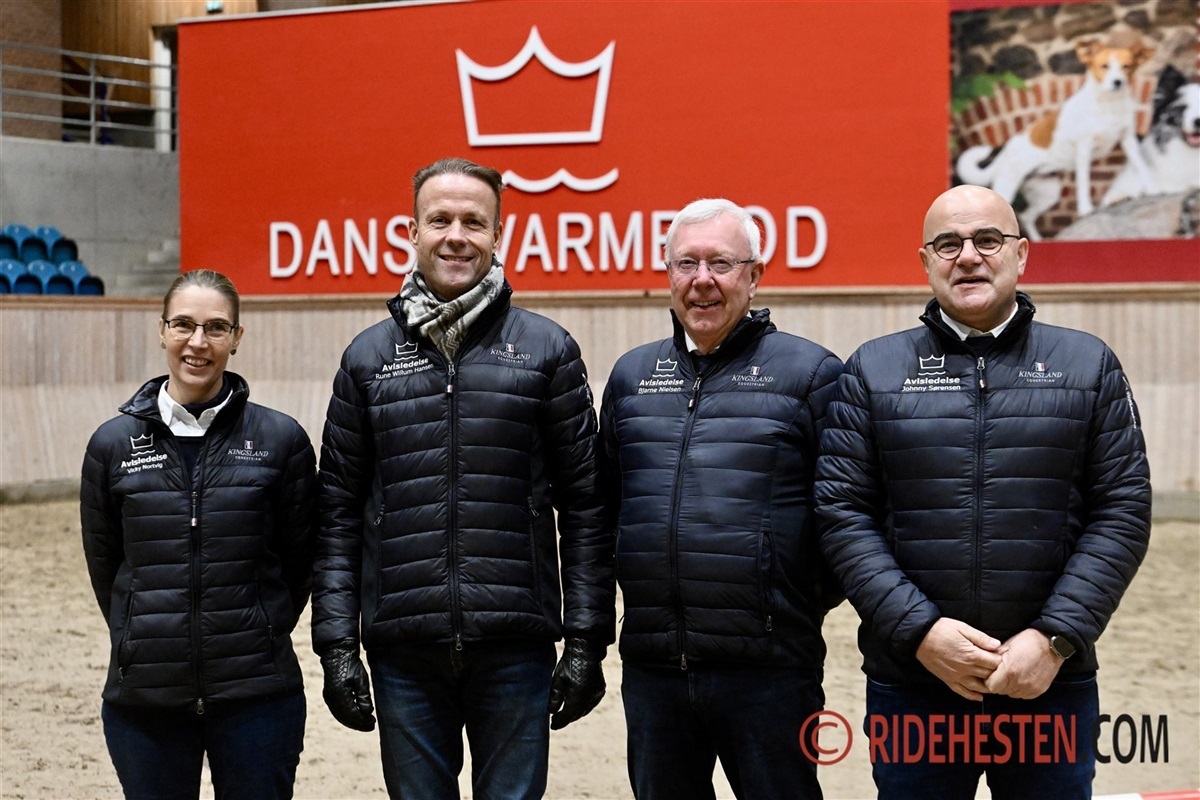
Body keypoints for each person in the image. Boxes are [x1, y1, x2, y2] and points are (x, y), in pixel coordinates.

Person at [815, 184, 1152, 800]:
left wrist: (1055, 638)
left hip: (1049, 683)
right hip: (913, 684)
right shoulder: (872, 370)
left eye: (987, 240)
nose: (968, 256)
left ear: (1020, 254)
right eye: (948, 244)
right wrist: (920, 632)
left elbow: (1123, 510)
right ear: (926, 262)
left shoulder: (1088, 365)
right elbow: (841, 513)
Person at [312, 157, 614, 799]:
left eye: (474, 222)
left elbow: (586, 506)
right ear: (412, 231)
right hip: (403, 649)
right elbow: (336, 512)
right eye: (440, 219)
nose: (456, 236)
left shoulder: (548, 350)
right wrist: (336, 645)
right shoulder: (365, 359)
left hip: (515, 646)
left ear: (498, 235)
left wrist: (587, 639)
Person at [599, 198, 844, 800]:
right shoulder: (630, 379)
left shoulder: (812, 375)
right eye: (686, 263)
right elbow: (605, 512)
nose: (702, 279)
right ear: (668, 274)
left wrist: (784, 599)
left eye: (721, 263)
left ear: (754, 276)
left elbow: (846, 517)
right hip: (654, 668)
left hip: (769, 670)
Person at [80, 269, 317, 799]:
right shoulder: (112, 446)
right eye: (184, 324)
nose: (198, 342)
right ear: (162, 330)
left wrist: (258, 629)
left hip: (257, 695)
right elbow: (107, 566)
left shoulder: (281, 441)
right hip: (146, 700)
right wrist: (142, 634)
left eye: (215, 327)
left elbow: (299, 563)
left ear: (236, 337)